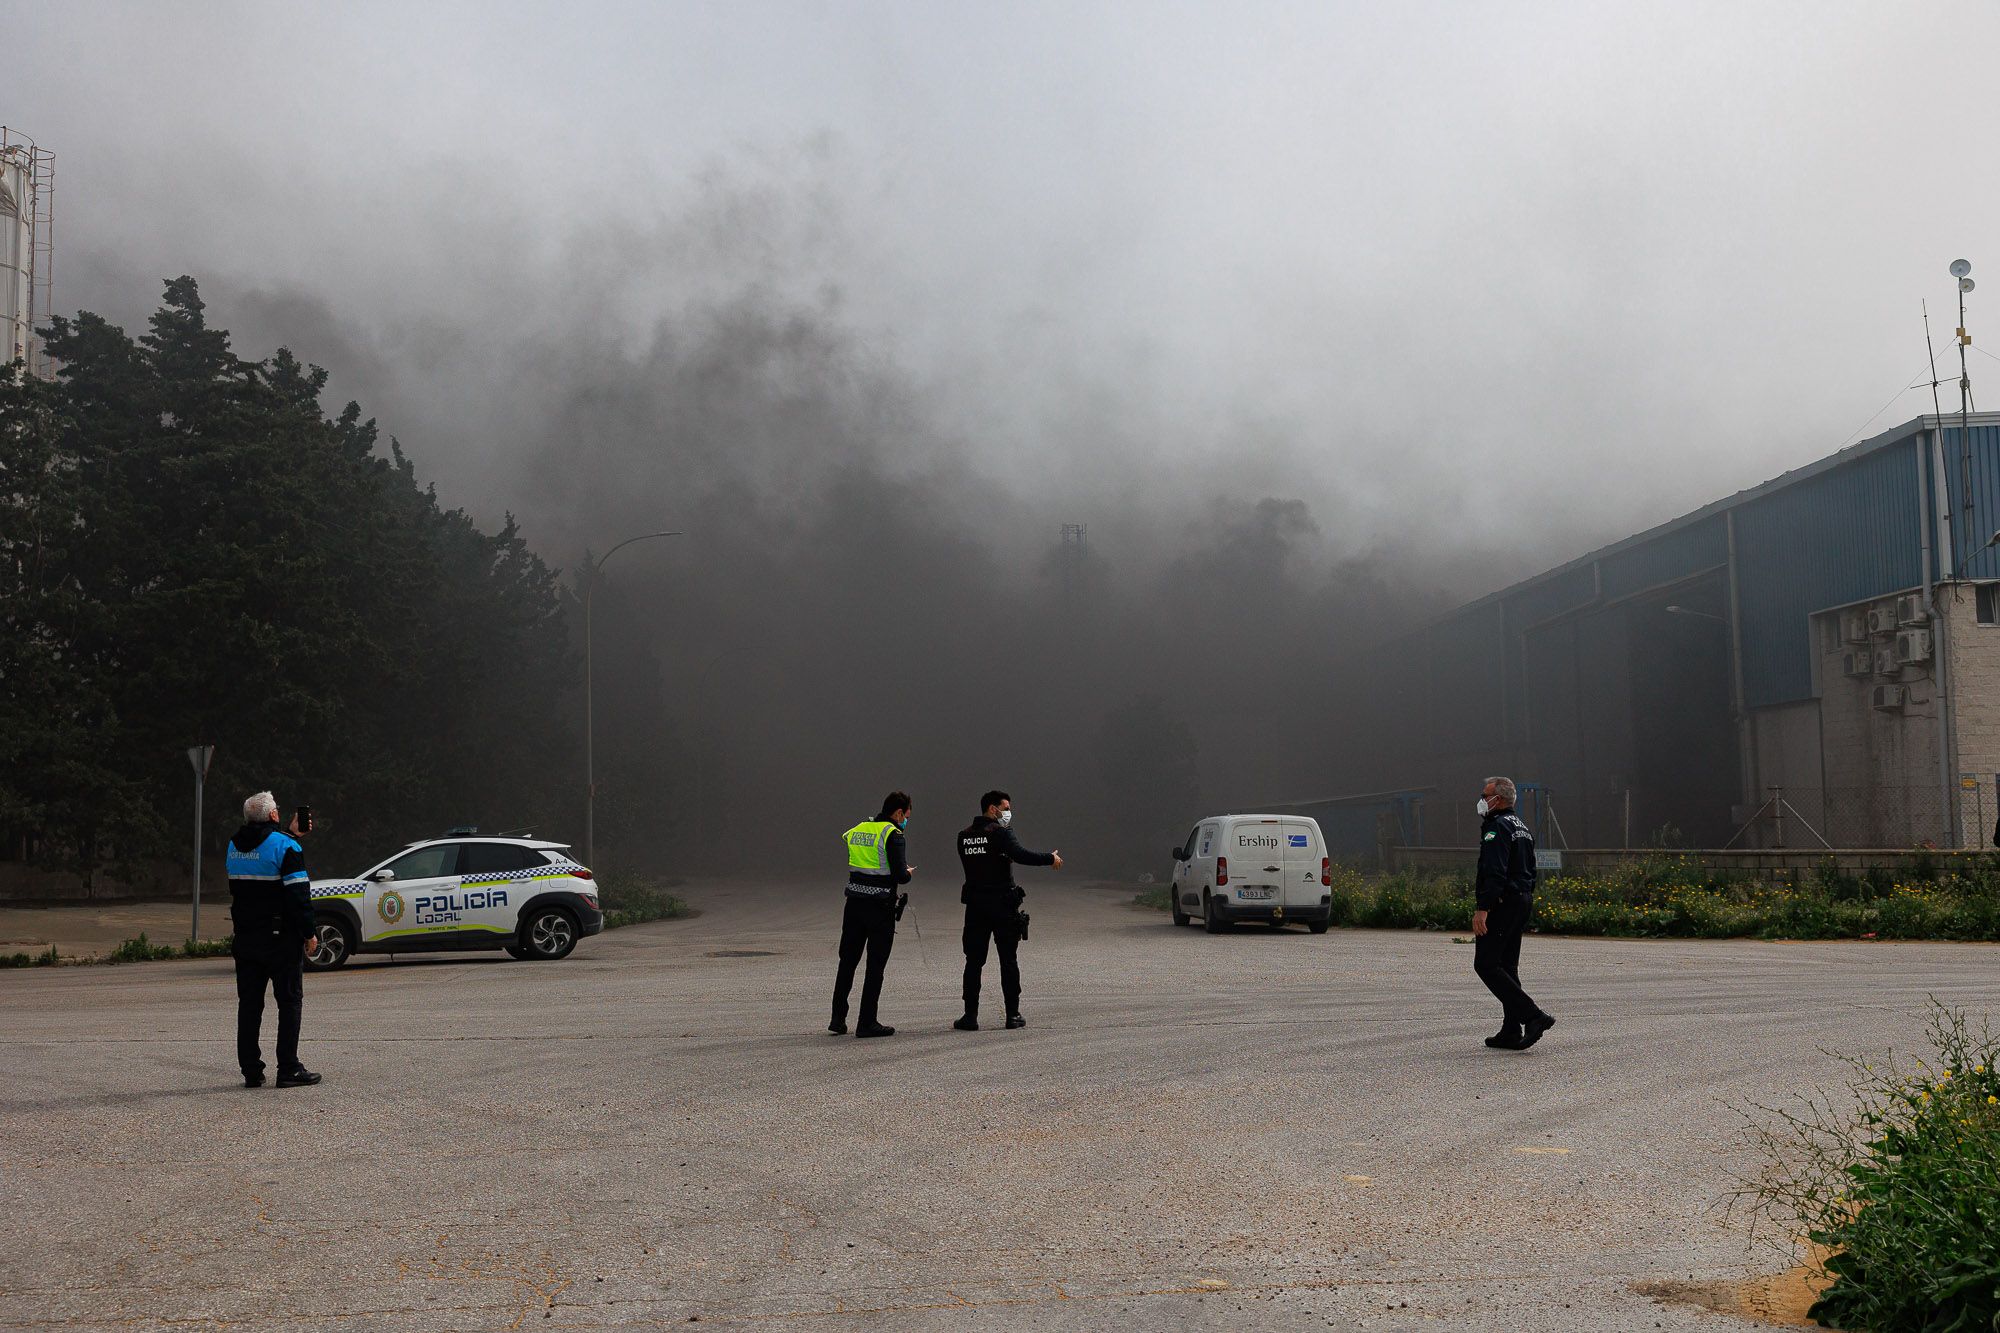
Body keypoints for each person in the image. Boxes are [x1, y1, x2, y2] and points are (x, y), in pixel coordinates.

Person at [226, 791, 321, 1088]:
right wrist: (309, 932)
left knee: (250, 1005)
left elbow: (261, 854)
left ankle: (251, 1071)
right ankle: (289, 1069)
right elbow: (297, 896)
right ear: (273, 815)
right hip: (281, 940)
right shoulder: (286, 846)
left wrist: (291, 835)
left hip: (246, 939)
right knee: (289, 1002)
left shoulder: (233, 846)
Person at [954, 790, 1061, 1032]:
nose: (1008, 812)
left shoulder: (964, 836)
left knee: (973, 961)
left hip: (975, 907)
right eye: (1006, 807)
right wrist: (1049, 858)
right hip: (1002, 904)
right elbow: (1021, 854)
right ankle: (1013, 1015)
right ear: (993, 809)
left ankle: (970, 1016)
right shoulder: (1000, 833)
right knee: (1008, 960)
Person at [1472, 776, 1554, 1051]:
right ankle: (1510, 1030)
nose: (1482, 801)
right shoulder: (1521, 827)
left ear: (1500, 799)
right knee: (1506, 966)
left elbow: (1494, 872)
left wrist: (1483, 908)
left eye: (1486, 795)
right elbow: (1531, 868)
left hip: (1503, 903)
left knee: (1485, 964)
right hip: (1521, 899)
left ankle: (1533, 1016)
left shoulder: (1496, 828)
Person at [830, 791, 914, 1039]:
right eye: (907, 815)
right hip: (879, 907)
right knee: (874, 966)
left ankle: (837, 1018)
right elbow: (900, 875)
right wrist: (908, 872)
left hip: (853, 903)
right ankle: (867, 1022)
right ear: (898, 813)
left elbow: (854, 850)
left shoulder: (858, 829)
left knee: (847, 961)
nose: (907, 820)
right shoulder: (893, 834)